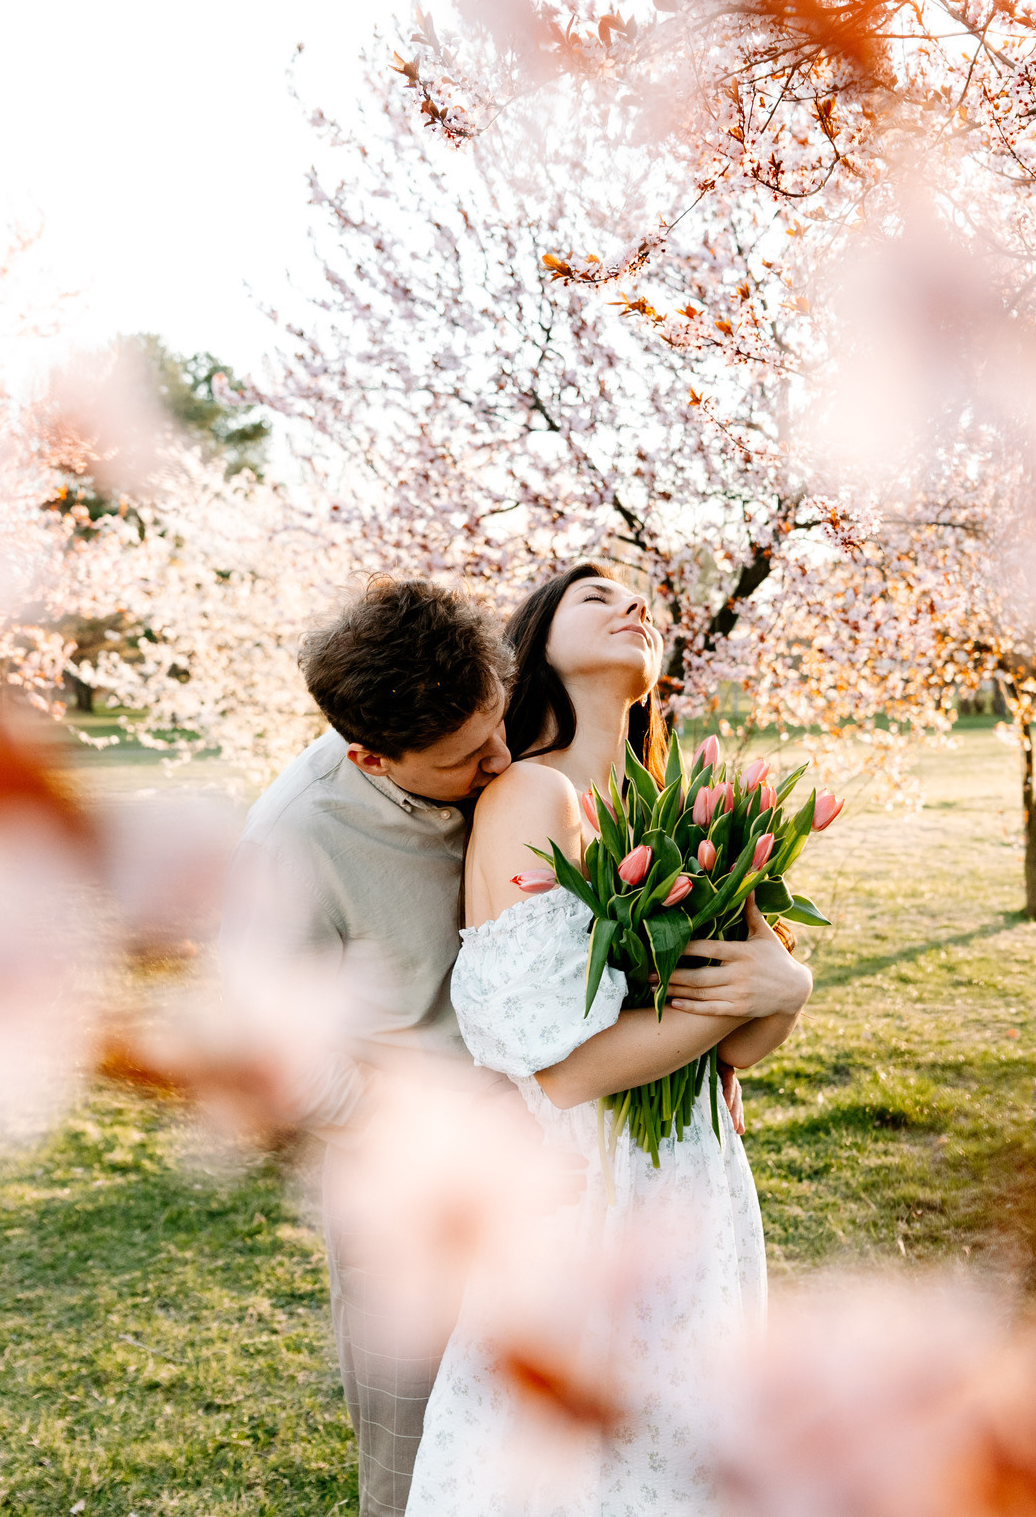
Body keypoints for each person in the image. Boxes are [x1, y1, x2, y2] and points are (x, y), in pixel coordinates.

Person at [229, 577, 797, 1517]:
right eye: (467, 755)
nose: (496, 759)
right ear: (373, 756)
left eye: (498, 725)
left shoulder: (545, 780)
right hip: (413, 1188)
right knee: (434, 1464)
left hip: (576, 1169)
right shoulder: (292, 840)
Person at [406, 563, 813, 1516]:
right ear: (538, 643)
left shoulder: (678, 808)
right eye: (598, 597)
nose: (635, 606)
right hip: (591, 1194)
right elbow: (567, 1069)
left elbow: (738, 1050)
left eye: (643, 602)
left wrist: (790, 989)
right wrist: (736, 1004)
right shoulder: (530, 800)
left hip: (697, 1179)